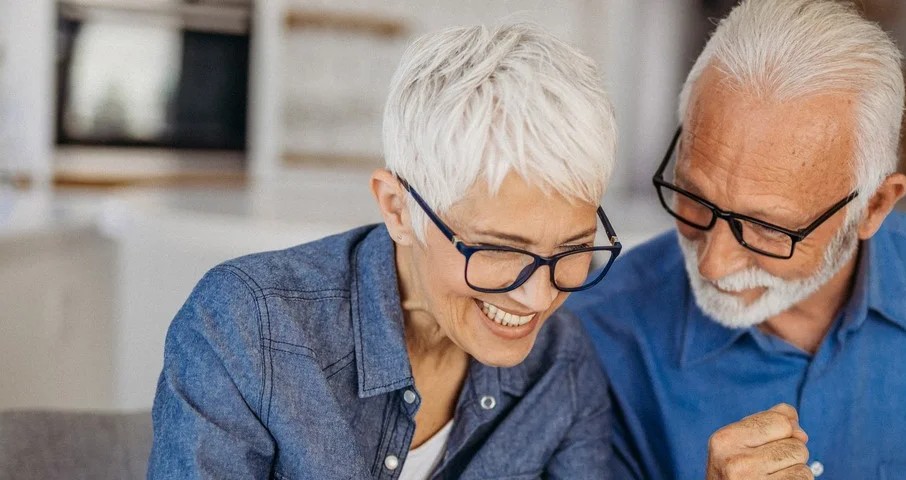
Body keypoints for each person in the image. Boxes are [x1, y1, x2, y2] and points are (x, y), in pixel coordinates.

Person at [563, 0, 906, 478]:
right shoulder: (595, 333)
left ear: (874, 206)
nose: (713, 263)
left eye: (768, 228)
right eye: (694, 198)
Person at [149, 22, 622, 479]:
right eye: (500, 250)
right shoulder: (245, 326)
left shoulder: (562, 362)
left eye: (573, 248)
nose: (539, 298)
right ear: (398, 210)